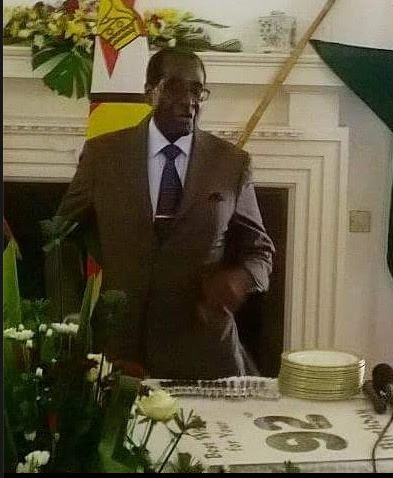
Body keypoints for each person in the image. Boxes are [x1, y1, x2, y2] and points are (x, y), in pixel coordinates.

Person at [56, 48, 275, 379]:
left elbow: (260, 251)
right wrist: (71, 315)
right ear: (149, 93)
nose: (189, 101)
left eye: (197, 91)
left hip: (205, 354)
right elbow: (60, 237)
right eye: (174, 88)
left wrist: (241, 279)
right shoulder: (104, 155)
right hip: (119, 350)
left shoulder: (230, 163)